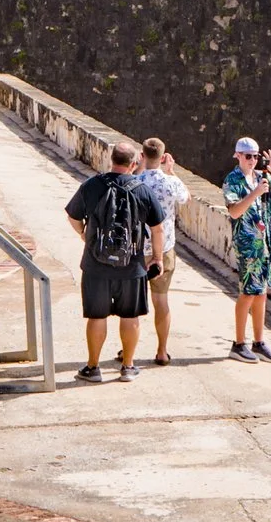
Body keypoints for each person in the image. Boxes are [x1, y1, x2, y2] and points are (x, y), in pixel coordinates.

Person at [65, 139, 165, 382]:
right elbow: (157, 228)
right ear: (134, 163)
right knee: (130, 316)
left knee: (96, 316)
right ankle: (128, 367)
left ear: (111, 160)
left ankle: (93, 368)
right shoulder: (142, 190)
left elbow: (72, 215)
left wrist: (83, 234)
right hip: (132, 265)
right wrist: (158, 258)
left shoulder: (91, 185)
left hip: (95, 264)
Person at [223, 137, 271, 362]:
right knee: (247, 293)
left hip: (264, 244)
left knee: (261, 293)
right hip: (246, 244)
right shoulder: (233, 180)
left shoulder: (261, 177)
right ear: (238, 156)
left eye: (255, 156)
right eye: (247, 156)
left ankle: (259, 341)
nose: (252, 160)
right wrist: (255, 193)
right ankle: (239, 343)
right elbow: (234, 212)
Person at [133, 138, 190, 366]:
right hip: (164, 249)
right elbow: (186, 197)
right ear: (163, 156)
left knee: (133, 303)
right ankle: (162, 351)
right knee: (161, 301)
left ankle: (127, 350)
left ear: (143, 155)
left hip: (137, 249)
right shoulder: (170, 183)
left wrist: (139, 166)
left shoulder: (135, 181)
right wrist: (172, 171)